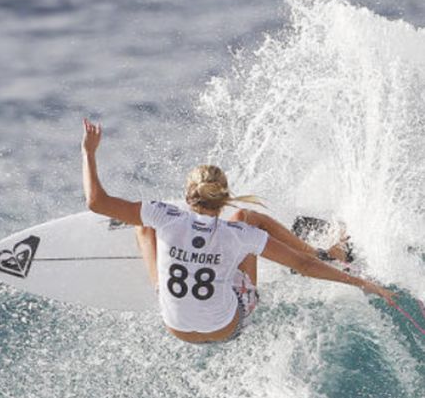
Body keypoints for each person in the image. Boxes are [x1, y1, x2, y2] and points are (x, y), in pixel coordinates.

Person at [82, 119, 396, 343]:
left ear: (189, 194)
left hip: (175, 327)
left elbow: (96, 202)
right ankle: (329, 252)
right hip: (227, 327)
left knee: (142, 225)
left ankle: (163, 283)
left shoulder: (164, 216)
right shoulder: (238, 234)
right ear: (223, 196)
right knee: (249, 217)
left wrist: (89, 153)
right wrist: (361, 282)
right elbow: (304, 266)